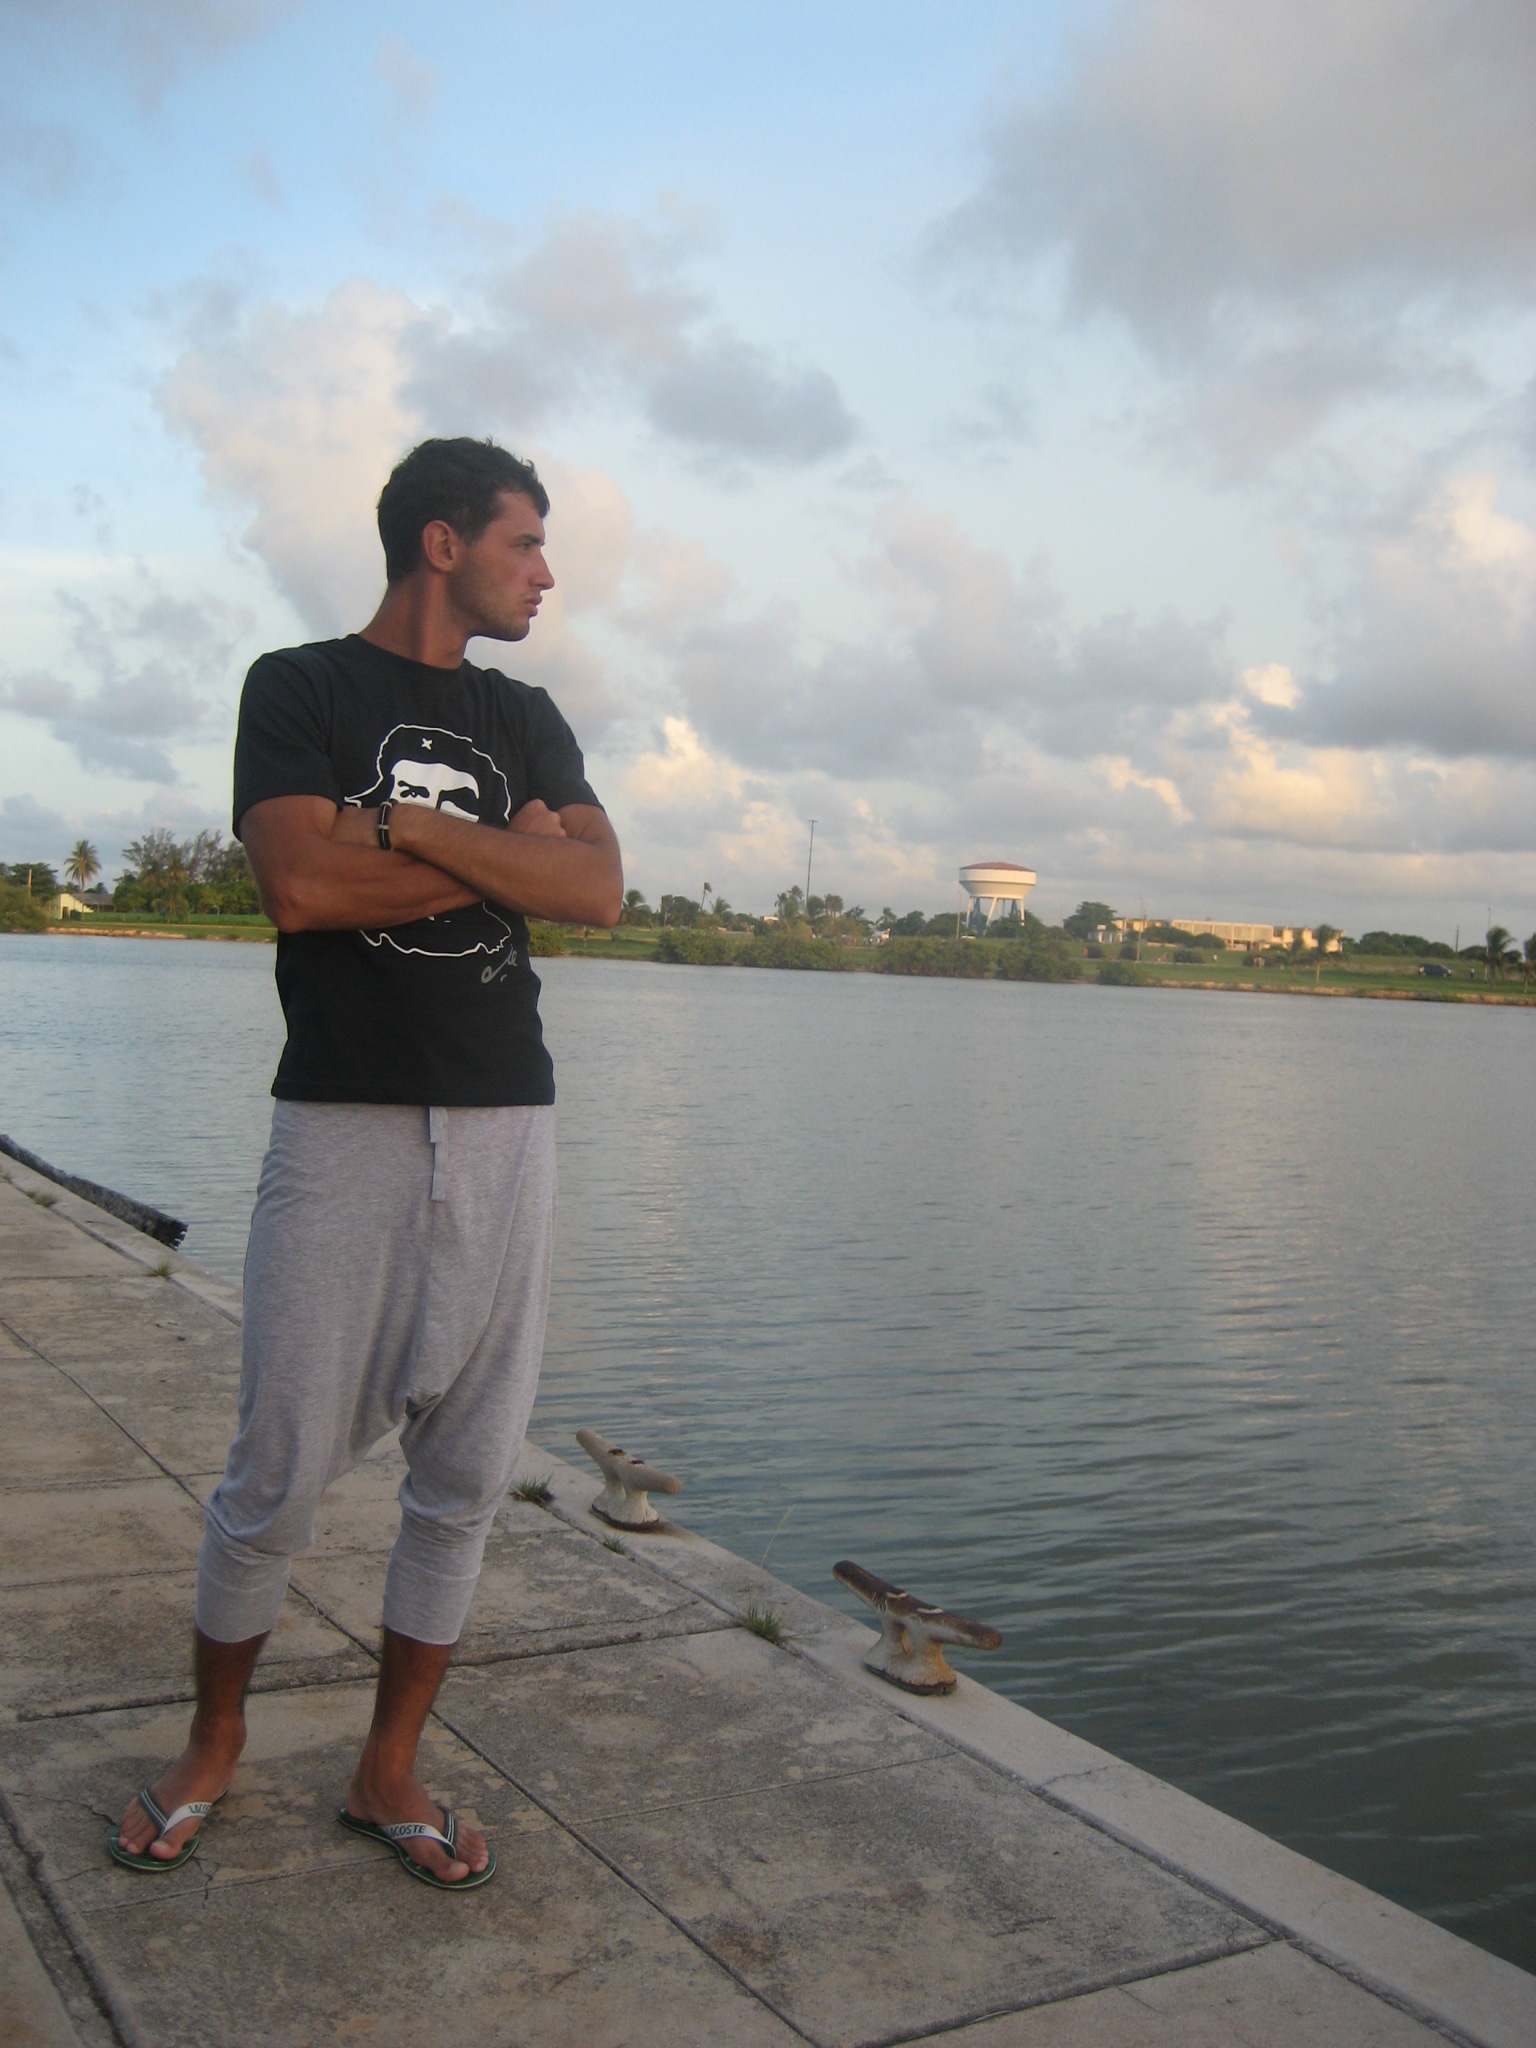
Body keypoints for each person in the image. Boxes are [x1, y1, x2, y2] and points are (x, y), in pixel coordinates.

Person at [113, 437, 622, 1890]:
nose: (547, 574)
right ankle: (214, 1742)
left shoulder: (527, 713)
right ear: (443, 543)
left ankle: (386, 1768)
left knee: (465, 1473)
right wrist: (493, 846)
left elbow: (594, 888)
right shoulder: (300, 688)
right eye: (527, 542)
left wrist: (393, 825)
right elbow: (297, 883)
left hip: (509, 1122)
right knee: (274, 1468)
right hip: (342, 1119)